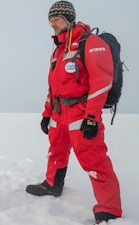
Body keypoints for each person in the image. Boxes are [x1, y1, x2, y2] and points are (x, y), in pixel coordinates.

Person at [25, 1, 122, 224]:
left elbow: (101, 82)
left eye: (56, 20)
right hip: (60, 111)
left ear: (69, 19)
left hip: (82, 110)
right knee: (56, 150)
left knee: (93, 158)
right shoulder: (58, 48)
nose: (52, 25)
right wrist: (47, 113)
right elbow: (53, 87)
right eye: (50, 21)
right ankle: (53, 184)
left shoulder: (91, 43)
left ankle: (109, 209)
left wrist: (92, 118)